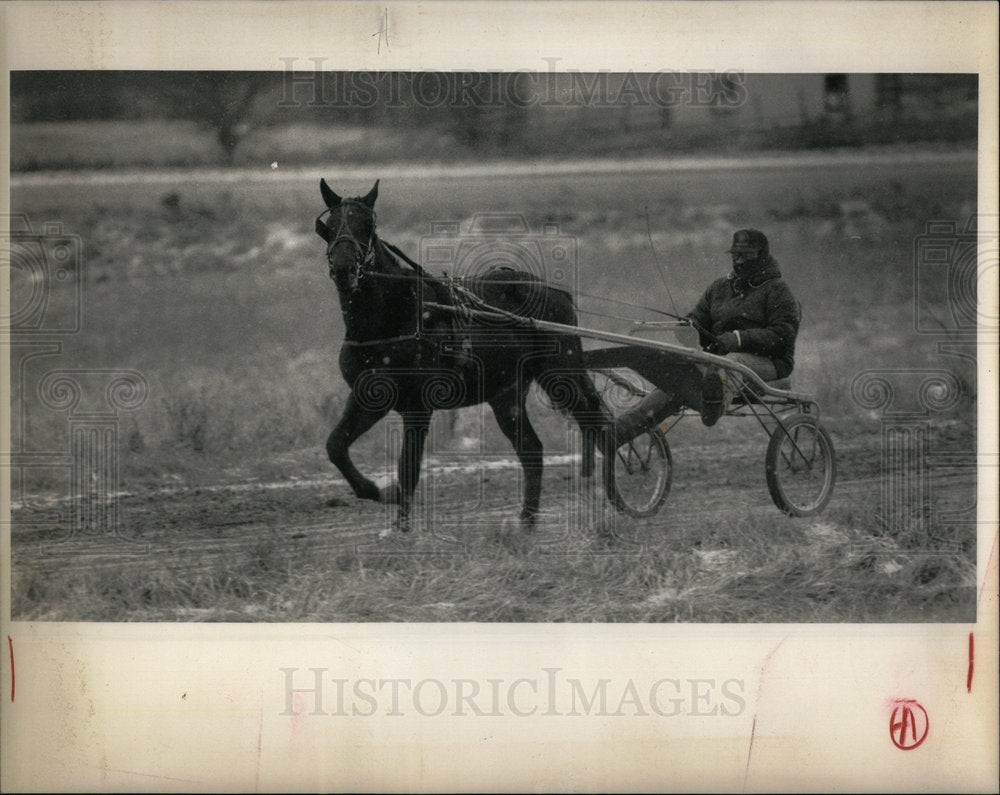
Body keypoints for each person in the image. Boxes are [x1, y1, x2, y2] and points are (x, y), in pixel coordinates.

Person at [613, 229, 800, 441]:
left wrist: (739, 338)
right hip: (718, 363)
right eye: (735, 256)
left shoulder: (777, 290)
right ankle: (617, 433)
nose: (738, 262)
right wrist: (688, 327)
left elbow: (783, 334)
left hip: (770, 363)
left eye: (745, 256)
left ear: (762, 256)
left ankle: (713, 406)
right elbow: (698, 318)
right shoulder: (719, 287)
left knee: (731, 363)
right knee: (677, 379)